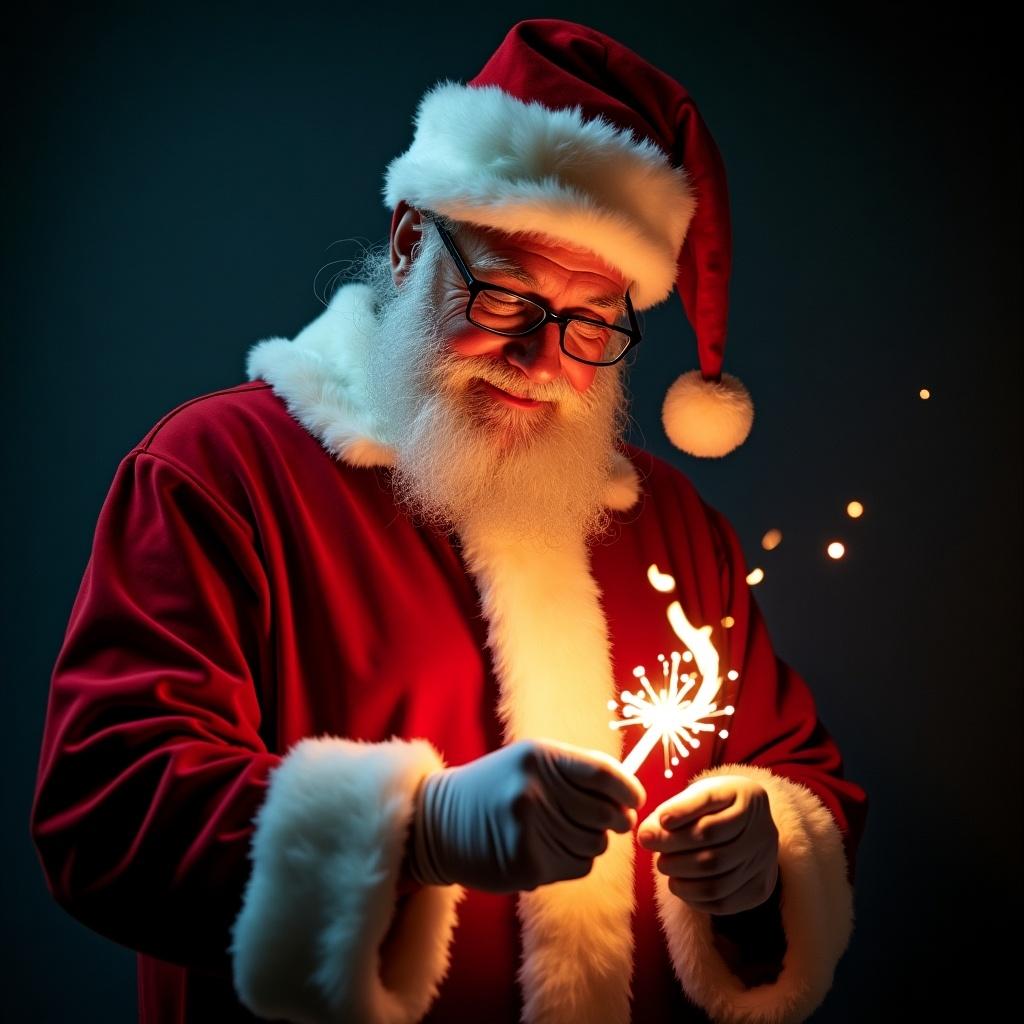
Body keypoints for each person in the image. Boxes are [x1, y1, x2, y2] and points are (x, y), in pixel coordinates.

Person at [30, 18, 868, 1024]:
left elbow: (793, 766)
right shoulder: (220, 475)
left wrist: (762, 851)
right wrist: (417, 830)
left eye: (589, 320)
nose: (538, 357)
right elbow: (105, 805)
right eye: (504, 292)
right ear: (409, 238)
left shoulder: (672, 527)